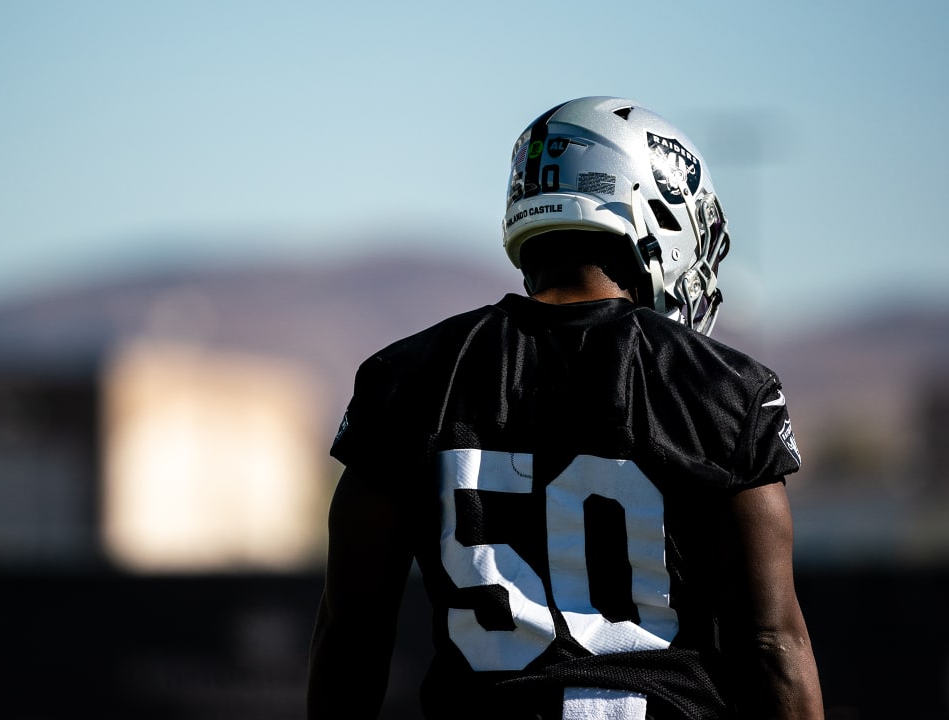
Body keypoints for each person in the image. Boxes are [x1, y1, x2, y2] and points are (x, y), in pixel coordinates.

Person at [308, 97, 823, 720]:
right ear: (655, 209)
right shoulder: (723, 388)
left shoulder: (407, 377)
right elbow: (770, 645)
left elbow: (352, 633)